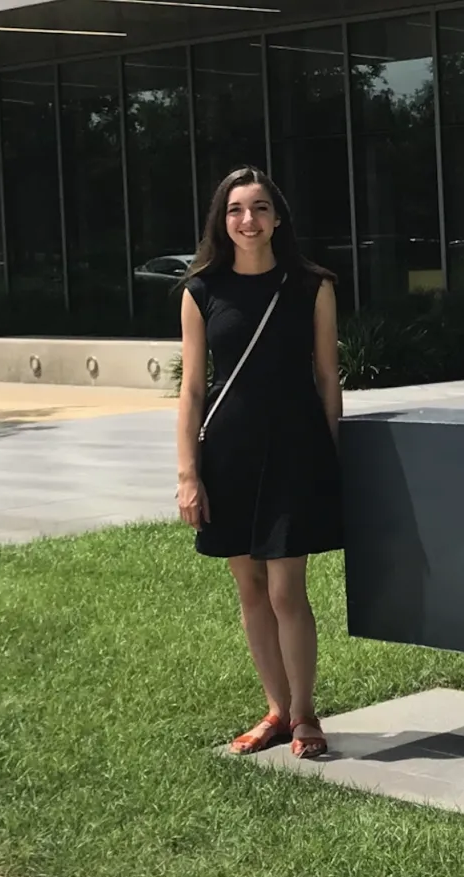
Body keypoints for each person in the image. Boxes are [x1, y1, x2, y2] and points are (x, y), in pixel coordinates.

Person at [174, 166, 343, 760]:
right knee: (249, 588)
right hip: (228, 453)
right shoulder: (201, 291)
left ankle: (304, 715)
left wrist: (331, 453)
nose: (249, 220)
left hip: (295, 451)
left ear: (278, 217)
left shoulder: (312, 285)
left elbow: (327, 377)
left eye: (261, 208)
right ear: (222, 221)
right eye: (236, 210)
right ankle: (274, 710)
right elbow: (193, 390)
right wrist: (189, 472)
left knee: (286, 590)